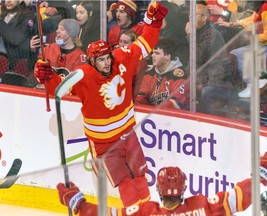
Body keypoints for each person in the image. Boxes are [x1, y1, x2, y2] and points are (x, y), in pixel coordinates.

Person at [34, 2, 168, 207]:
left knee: (140, 177)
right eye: (101, 60)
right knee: (124, 183)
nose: (106, 63)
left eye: (107, 58)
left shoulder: (121, 57)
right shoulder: (82, 74)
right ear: (92, 61)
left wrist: (155, 22)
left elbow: (146, 42)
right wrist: (47, 75)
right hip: (103, 143)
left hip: (127, 133)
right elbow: (59, 90)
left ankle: (148, 212)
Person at [56, 152, 267, 216]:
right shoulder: (203, 205)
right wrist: (261, 172)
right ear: (184, 190)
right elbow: (241, 196)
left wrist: (78, 203)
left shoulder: (144, 212)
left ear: (159, 191)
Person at [216, 0, 267, 99]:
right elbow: (252, 19)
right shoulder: (266, 6)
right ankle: (255, 83)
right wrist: (233, 24)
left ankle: (254, 84)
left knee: (240, 55)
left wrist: (252, 36)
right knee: (237, 53)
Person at [185, 1, 237, 116]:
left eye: (194, 15)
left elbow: (198, 57)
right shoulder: (195, 32)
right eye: (190, 15)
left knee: (204, 92)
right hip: (200, 77)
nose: (190, 18)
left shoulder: (212, 34)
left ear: (204, 18)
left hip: (217, 81)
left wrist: (189, 35)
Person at [135, 38, 189, 110]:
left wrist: (155, 111)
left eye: (157, 53)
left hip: (175, 118)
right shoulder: (149, 73)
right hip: (154, 114)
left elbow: (176, 102)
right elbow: (141, 96)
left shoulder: (179, 75)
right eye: (153, 52)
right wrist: (137, 104)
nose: (152, 56)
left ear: (167, 56)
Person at [0, 0, 38, 84]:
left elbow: (16, 40)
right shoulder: (4, 14)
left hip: (18, 68)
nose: (8, 1)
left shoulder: (28, 16)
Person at [117, 29, 148, 99]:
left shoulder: (140, 62)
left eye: (125, 42)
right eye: (120, 41)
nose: (121, 45)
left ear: (133, 44)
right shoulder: (116, 58)